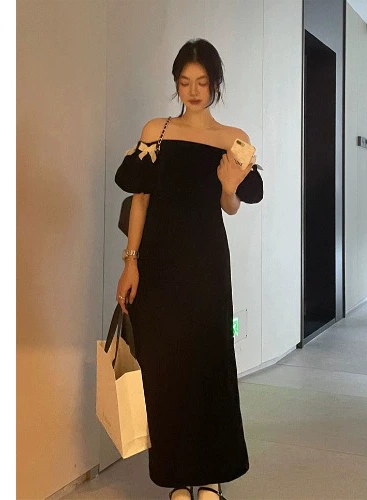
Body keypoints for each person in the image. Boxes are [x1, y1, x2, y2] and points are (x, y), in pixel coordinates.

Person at [114, 38, 263, 500]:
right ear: (176, 83)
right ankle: (177, 477)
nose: (193, 91)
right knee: (165, 370)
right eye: (184, 82)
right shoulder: (157, 130)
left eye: (202, 82)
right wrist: (131, 263)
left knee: (209, 365)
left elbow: (230, 206)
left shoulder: (232, 139)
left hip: (206, 266)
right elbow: (140, 199)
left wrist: (229, 187)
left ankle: (211, 476)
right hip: (158, 266)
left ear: (215, 84)